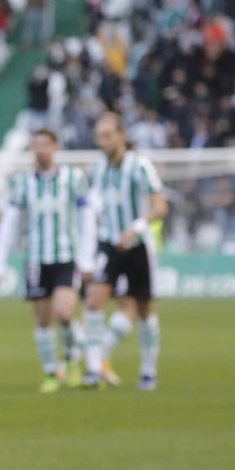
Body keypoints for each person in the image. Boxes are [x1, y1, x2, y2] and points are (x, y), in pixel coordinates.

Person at [0, 128, 93, 393]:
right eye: (36, 144)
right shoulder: (23, 182)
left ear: (55, 147)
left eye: (45, 144)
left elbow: (87, 216)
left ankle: (71, 361)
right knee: (43, 320)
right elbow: (9, 223)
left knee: (65, 313)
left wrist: (87, 257)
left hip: (66, 256)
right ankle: (51, 372)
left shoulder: (73, 178)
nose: (40, 149)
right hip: (36, 259)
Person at [80, 112, 168, 390]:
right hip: (108, 244)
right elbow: (90, 206)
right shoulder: (96, 170)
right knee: (94, 300)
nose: (102, 142)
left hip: (138, 245)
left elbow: (159, 205)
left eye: (107, 136)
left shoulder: (139, 166)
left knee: (144, 309)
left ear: (121, 136)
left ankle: (148, 370)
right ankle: (94, 367)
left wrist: (137, 226)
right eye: (98, 136)